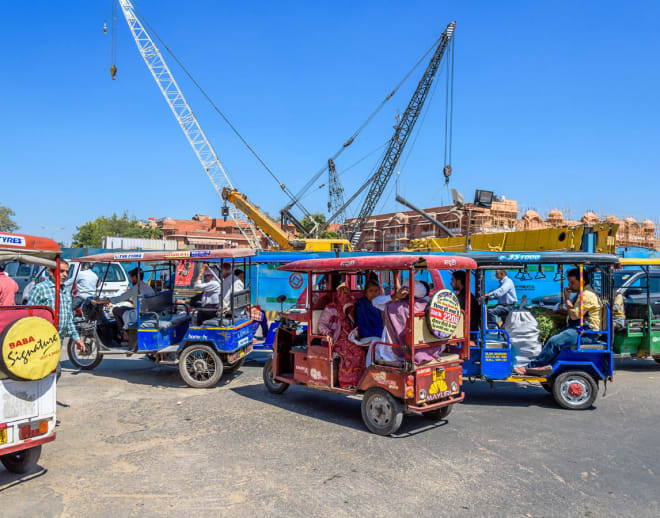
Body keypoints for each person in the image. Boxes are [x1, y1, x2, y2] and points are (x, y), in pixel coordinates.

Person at [515, 268, 602, 375]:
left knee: (554, 341)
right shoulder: (582, 293)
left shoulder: (587, 295)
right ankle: (546, 364)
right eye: (569, 282)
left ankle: (533, 366)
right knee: (552, 336)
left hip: (586, 332)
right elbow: (576, 314)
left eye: (572, 283)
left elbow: (575, 316)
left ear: (582, 282)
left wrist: (567, 299)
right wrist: (562, 312)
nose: (569, 286)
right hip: (578, 328)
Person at [27, 259, 85, 353]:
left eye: (67, 272)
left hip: (57, 346)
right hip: (40, 345)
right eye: (61, 271)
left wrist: (77, 339)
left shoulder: (65, 291)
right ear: (51, 272)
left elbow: (68, 319)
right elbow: (28, 316)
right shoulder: (40, 289)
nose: (65, 275)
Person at [318, 283, 365, 389]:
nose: (345, 298)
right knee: (352, 354)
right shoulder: (331, 308)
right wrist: (328, 332)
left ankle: (358, 381)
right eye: (342, 295)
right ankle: (346, 383)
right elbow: (321, 324)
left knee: (361, 352)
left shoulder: (350, 307)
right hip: (336, 339)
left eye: (346, 295)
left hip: (349, 338)